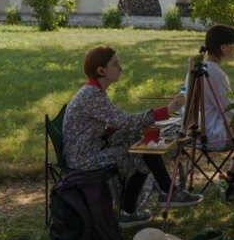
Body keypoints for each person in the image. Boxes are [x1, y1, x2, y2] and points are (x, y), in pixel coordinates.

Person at [63, 46, 203, 227]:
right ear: (101, 70)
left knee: (140, 140)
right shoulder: (91, 94)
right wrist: (166, 110)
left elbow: (115, 124)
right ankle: (161, 195)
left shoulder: (94, 91)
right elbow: (125, 121)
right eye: (115, 64)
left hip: (90, 148)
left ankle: (139, 205)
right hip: (84, 158)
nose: (120, 68)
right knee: (140, 149)